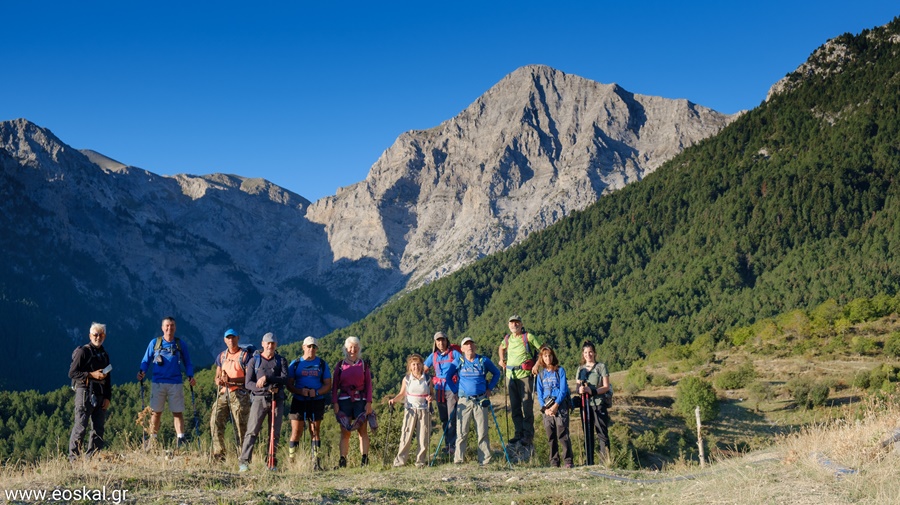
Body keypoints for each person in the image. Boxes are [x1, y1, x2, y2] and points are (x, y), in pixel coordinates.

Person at [137, 316, 196, 448]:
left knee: (177, 412)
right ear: (162, 328)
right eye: (167, 326)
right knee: (156, 412)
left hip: (176, 383)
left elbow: (188, 362)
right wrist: (142, 371)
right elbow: (146, 360)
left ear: (175, 327)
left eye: (172, 325)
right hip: (158, 382)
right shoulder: (155, 343)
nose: (170, 328)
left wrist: (190, 375)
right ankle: (153, 440)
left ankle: (181, 439)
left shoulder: (180, 344)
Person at [239, 332, 288, 472]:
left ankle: (271, 462)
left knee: (274, 432)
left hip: (276, 399)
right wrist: (264, 387)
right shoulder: (254, 361)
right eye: (268, 343)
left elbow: (285, 378)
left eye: (272, 343)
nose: (270, 346)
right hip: (259, 399)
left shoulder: (281, 360)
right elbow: (248, 383)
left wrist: (267, 378)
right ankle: (244, 462)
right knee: (252, 431)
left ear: (276, 345)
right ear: (262, 344)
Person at [452, 337, 501, 466]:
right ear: (462, 349)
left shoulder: (483, 360)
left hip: (480, 399)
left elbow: (496, 373)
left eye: (472, 344)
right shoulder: (459, 361)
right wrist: (455, 391)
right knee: (461, 432)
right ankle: (458, 460)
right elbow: (447, 376)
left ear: (475, 347)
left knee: (482, 431)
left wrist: (490, 388)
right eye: (466, 345)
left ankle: (484, 460)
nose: (469, 347)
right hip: (464, 400)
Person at [68, 322, 112, 461]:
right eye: (95, 335)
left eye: (101, 334)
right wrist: (91, 375)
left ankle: (91, 459)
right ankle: (73, 460)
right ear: (90, 336)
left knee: (98, 428)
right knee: (81, 426)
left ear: (104, 336)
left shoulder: (104, 354)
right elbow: (72, 373)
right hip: (85, 393)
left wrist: (107, 397)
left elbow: (108, 378)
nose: (98, 337)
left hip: (100, 394)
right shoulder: (83, 352)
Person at [497, 314, 542, 449]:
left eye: (517, 323)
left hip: (525, 375)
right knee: (515, 407)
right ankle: (518, 433)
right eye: (512, 323)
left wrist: (536, 365)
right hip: (511, 376)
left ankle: (528, 435)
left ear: (521, 324)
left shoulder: (528, 337)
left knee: (527, 406)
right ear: (508, 325)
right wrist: (501, 359)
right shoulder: (507, 339)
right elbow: (501, 347)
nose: (514, 325)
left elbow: (543, 350)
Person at [287, 336, 332, 470]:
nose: (311, 349)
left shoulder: (322, 364)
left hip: (316, 401)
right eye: (309, 346)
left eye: (314, 346)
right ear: (303, 347)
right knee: (296, 431)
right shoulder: (295, 364)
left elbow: (328, 384)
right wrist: (300, 391)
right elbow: (289, 384)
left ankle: (315, 463)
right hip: (299, 401)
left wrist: (316, 392)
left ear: (317, 348)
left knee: (315, 431)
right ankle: (292, 462)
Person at [210, 328, 252, 461]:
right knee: (215, 419)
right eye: (228, 338)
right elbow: (217, 375)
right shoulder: (222, 356)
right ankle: (219, 454)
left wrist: (232, 380)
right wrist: (218, 380)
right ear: (224, 340)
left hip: (240, 392)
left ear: (238, 338)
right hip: (224, 392)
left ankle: (244, 456)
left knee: (241, 425)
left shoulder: (245, 356)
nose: (231, 340)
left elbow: (249, 377)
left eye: (233, 337)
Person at [332, 336, 374, 468]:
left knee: (363, 431)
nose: (353, 350)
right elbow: (334, 386)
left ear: (359, 348)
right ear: (345, 348)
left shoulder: (363, 365)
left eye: (355, 347)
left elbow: (368, 385)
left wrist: (369, 402)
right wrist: (335, 403)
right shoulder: (340, 365)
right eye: (350, 347)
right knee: (345, 432)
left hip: (360, 401)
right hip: (344, 400)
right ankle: (343, 460)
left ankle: (364, 459)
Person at [388, 354, 433, 467]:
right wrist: (393, 400)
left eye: (418, 364)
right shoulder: (407, 379)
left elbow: (432, 394)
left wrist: (431, 397)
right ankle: (400, 461)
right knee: (406, 435)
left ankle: (420, 462)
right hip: (410, 410)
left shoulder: (427, 379)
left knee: (423, 436)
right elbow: (402, 394)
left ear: (422, 365)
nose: (416, 367)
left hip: (424, 410)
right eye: (413, 364)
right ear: (409, 367)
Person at [423, 331, 461, 456]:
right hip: (439, 389)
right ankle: (448, 445)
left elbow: (462, 365)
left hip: (451, 389)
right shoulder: (433, 356)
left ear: (446, 340)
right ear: (435, 342)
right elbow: (424, 369)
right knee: (444, 418)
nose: (441, 343)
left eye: (442, 340)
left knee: (452, 417)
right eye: (438, 341)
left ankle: (453, 445)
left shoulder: (454, 353)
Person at [534, 345, 573, 468]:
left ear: (553, 356)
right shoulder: (540, 375)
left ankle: (568, 461)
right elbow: (539, 394)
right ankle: (554, 462)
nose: (548, 358)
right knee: (551, 436)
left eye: (549, 355)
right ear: (542, 358)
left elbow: (563, 389)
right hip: (547, 408)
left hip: (560, 406)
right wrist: (545, 409)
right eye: (545, 356)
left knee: (563, 434)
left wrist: (556, 405)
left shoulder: (560, 371)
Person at [576, 340, 611, 464]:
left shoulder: (601, 367)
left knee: (601, 433)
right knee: (587, 434)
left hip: (598, 404)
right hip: (585, 405)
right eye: (586, 352)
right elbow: (577, 387)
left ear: (594, 353)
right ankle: (588, 462)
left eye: (590, 352)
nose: (588, 354)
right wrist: (580, 390)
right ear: (583, 354)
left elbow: (606, 386)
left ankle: (605, 462)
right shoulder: (580, 369)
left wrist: (592, 391)